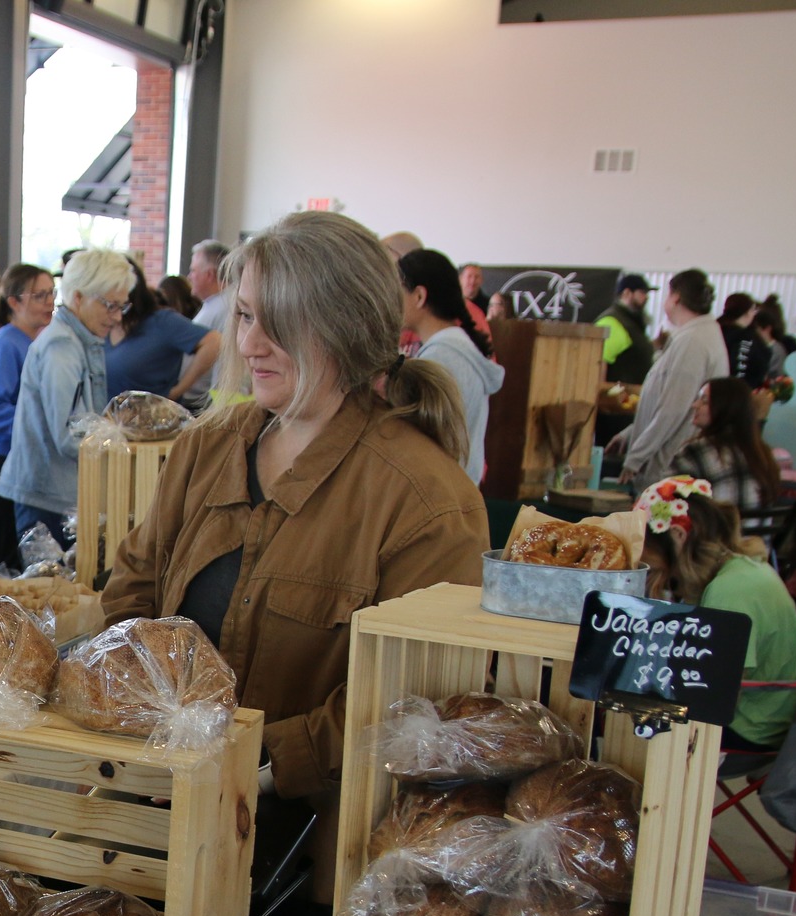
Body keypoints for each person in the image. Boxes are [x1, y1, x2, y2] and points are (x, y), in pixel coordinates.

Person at [102, 210, 487, 880]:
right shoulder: (208, 445)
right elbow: (135, 585)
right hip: (156, 822)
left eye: (280, 322)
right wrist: (139, 714)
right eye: (247, 314)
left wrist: (241, 756)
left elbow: (412, 709)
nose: (251, 342)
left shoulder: (427, 502)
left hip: (309, 865)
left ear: (349, 326)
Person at [635, 478, 796, 752]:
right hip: (769, 713)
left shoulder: (728, 590)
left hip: (752, 725)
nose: (645, 560)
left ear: (679, 536)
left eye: (647, 549)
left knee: (622, 717)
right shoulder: (742, 568)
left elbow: (712, 688)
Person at [0, 246, 129, 544]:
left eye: (122, 306)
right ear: (79, 297)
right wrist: (122, 445)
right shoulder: (62, 348)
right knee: (51, 589)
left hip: (59, 493)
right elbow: (69, 434)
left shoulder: (82, 340)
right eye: (110, 305)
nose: (117, 317)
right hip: (48, 499)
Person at [0, 264, 55, 572]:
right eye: (39, 295)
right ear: (14, 302)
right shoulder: (5, 344)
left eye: (51, 293)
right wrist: (43, 426)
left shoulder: (31, 343)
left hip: (14, 464)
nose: (49, 302)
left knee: (14, 569)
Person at [612, 268, 730, 490]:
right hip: (669, 460)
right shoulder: (694, 336)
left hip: (670, 466)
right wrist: (630, 434)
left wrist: (636, 457)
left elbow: (673, 408)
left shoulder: (693, 341)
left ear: (675, 297)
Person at [396, 249, 504, 484]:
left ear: (419, 296)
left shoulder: (442, 357)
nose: (392, 301)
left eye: (398, 291)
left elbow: (425, 441)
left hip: (443, 493)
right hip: (455, 490)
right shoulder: (453, 346)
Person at [105, 258, 221, 403]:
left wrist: (178, 390)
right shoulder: (104, 324)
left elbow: (214, 342)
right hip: (108, 420)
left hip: (150, 420)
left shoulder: (162, 322)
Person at [673, 378, 782, 512]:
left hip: (715, 532)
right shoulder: (764, 454)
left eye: (704, 401)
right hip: (756, 533)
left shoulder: (696, 452)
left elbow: (666, 502)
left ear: (725, 409)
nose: (695, 405)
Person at [188, 238, 234, 396]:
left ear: (209, 275)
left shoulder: (227, 306)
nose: (189, 277)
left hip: (205, 401)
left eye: (193, 271)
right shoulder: (216, 303)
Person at [597, 273, 656, 385]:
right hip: (617, 398)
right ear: (627, 293)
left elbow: (632, 351)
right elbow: (599, 362)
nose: (646, 297)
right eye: (642, 292)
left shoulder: (630, 321)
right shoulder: (612, 322)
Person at [719, 292, 772, 388]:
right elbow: (741, 366)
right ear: (747, 312)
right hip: (743, 392)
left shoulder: (716, 330)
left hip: (715, 390)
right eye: (753, 310)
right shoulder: (746, 337)